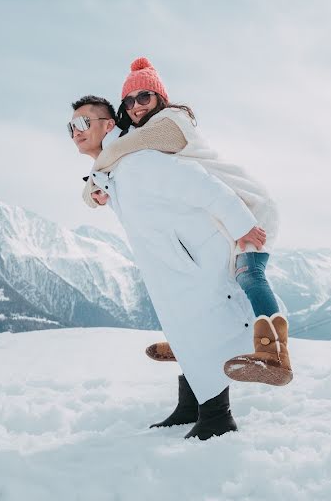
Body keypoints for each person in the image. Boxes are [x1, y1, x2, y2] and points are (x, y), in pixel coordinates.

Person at [70, 94, 273, 440]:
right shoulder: (116, 168)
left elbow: (201, 185)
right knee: (184, 331)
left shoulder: (137, 161)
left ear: (108, 125)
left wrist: (242, 224)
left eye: (83, 123)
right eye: (71, 126)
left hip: (194, 259)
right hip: (173, 264)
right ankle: (192, 405)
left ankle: (217, 416)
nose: (75, 131)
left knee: (202, 330)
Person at [81, 58, 292, 387]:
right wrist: (94, 187)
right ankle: (195, 344)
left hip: (249, 209)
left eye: (144, 97)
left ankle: (275, 354)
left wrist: (99, 169)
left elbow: (128, 147)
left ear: (160, 99)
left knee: (248, 275)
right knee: (204, 285)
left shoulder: (172, 123)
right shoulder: (143, 135)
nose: (136, 106)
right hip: (223, 212)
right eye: (129, 101)